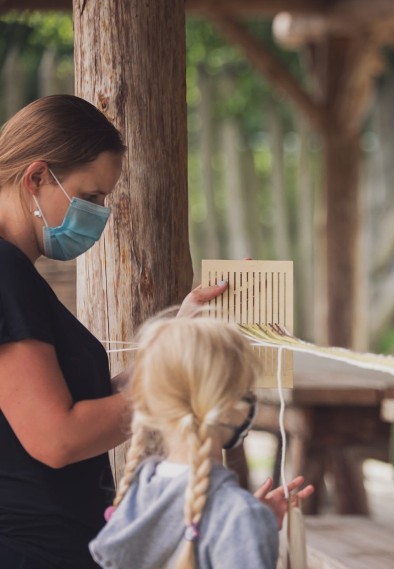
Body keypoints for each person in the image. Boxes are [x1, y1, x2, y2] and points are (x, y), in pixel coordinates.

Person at [0, 95, 227, 568]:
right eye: (90, 197)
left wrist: (173, 342)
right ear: (37, 177)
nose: (100, 214)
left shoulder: (19, 274)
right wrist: (171, 391)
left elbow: (76, 404)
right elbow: (57, 437)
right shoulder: (6, 274)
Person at [88, 317, 314, 569]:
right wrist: (247, 521)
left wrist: (253, 519)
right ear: (236, 407)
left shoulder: (143, 485)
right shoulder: (239, 517)